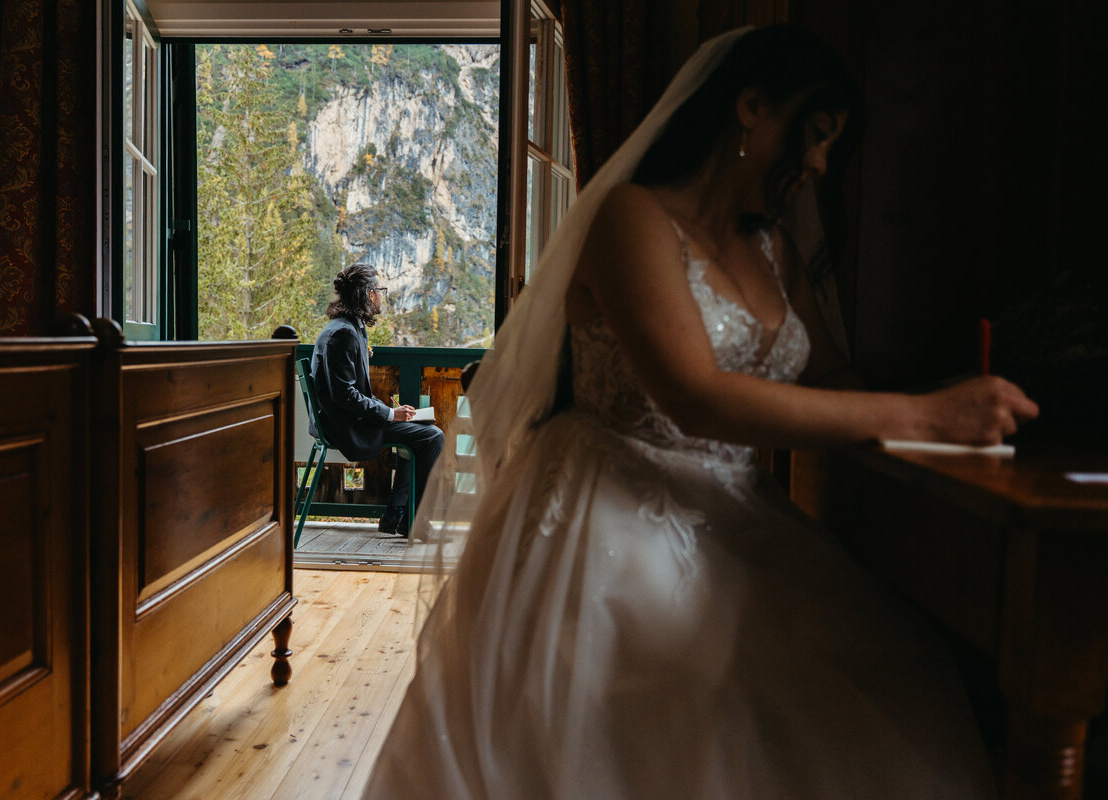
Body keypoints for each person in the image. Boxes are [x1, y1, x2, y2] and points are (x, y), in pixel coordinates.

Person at [362, 25, 1037, 799]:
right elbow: (694, 394)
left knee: (892, 667)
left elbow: (830, 376)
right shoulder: (631, 219)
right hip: (609, 508)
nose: (820, 164)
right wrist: (922, 417)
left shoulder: (775, 250)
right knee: (703, 686)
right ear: (750, 107)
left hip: (734, 507)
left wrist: (956, 396)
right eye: (813, 135)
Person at [310, 263, 444, 537]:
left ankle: (397, 516)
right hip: (347, 427)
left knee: (421, 432)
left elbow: (347, 390)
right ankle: (413, 522)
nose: (382, 295)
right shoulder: (344, 334)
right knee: (432, 436)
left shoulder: (341, 327)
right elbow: (345, 394)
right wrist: (389, 415)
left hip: (343, 420)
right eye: (380, 290)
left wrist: (389, 410)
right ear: (370, 295)